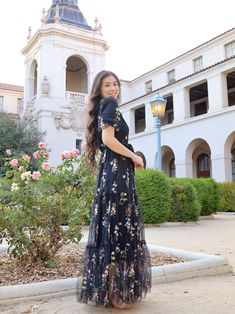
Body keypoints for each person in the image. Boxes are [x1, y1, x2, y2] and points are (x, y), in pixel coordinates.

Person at [77, 70, 151, 310]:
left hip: (113, 173)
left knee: (113, 233)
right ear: (99, 89)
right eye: (107, 85)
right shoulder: (109, 105)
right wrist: (134, 156)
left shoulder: (106, 107)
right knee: (118, 233)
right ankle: (114, 293)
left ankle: (112, 290)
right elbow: (109, 140)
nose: (112, 88)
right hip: (116, 175)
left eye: (115, 84)